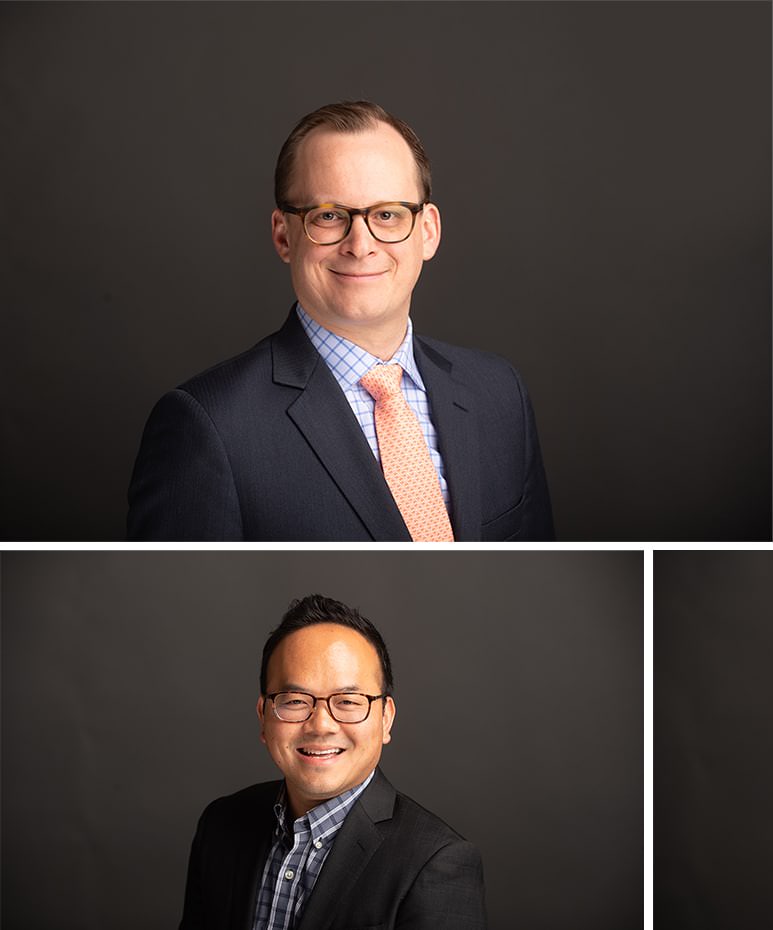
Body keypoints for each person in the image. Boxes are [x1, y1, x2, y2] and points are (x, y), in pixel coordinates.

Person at [128, 101, 553, 541]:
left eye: (387, 214)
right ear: (282, 234)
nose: (360, 244)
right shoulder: (208, 426)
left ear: (427, 231)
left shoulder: (501, 395)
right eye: (329, 216)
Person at [179, 595, 484, 929]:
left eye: (348, 701)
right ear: (263, 716)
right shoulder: (221, 825)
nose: (321, 724)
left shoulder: (436, 862)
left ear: (385, 719)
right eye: (294, 700)